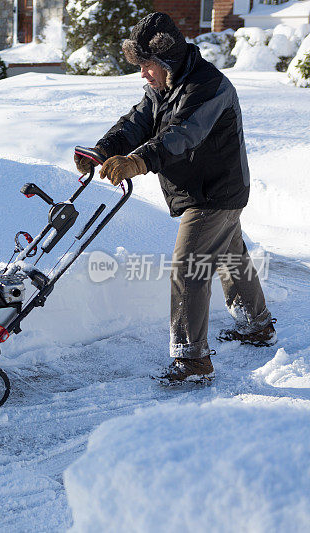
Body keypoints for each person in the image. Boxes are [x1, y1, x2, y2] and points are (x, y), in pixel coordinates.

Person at [75, 12, 276, 383]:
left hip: (216, 191)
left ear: (166, 60)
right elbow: (137, 121)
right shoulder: (165, 85)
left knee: (189, 268)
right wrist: (102, 150)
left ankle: (193, 359)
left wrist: (138, 161)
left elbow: (183, 135)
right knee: (231, 254)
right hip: (209, 188)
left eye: (147, 65)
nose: (143, 74)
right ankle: (257, 324)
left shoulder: (209, 86)